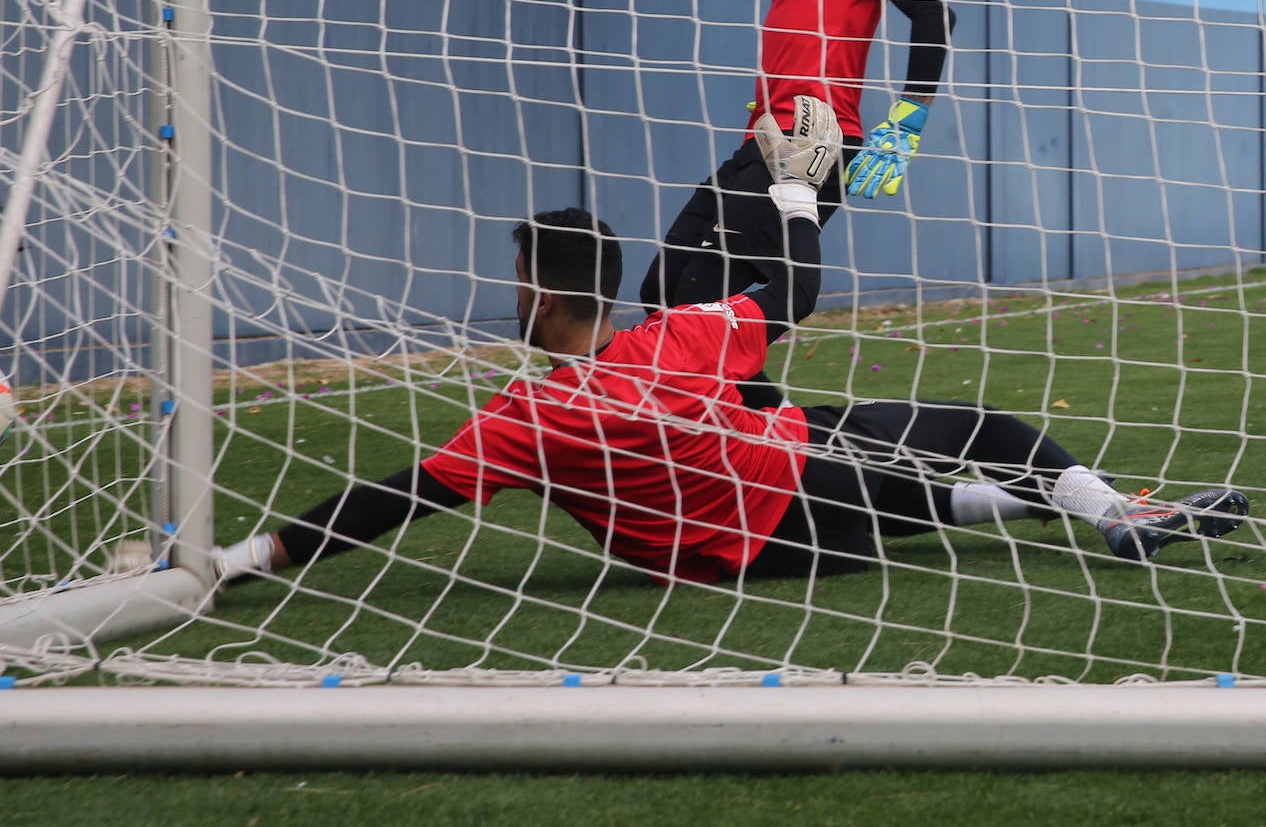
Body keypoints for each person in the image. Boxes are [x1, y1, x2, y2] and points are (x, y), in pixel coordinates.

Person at [213, 102, 1249, 589]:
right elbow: (788, 280)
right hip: (790, 482)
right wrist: (796, 180)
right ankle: (1115, 510)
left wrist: (885, 138)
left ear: (534, 293)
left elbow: (396, 498)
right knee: (948, 429)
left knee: (859, 446)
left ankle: (1109, 510)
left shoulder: (522, 420)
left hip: (754, 540)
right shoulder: (664, 328)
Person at [641, 0, 957, 317]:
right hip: (764, 141)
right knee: (662, 293)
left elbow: (932, 14)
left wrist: (907, 122)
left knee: (695, 307)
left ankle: (765, 399)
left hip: (808, 146)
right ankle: (753, 402)